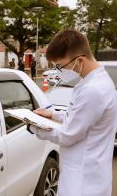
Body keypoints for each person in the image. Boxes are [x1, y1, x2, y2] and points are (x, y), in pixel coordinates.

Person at [28, 29, 117, 196]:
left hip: (83, 183)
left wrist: (34, 127)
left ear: (80, 60)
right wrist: (53, 115)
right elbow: (83, 117)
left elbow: (67, 135)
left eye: (60, 66)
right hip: (86, 174)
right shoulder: (96, 80)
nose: (59, 71)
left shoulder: (93, 90)